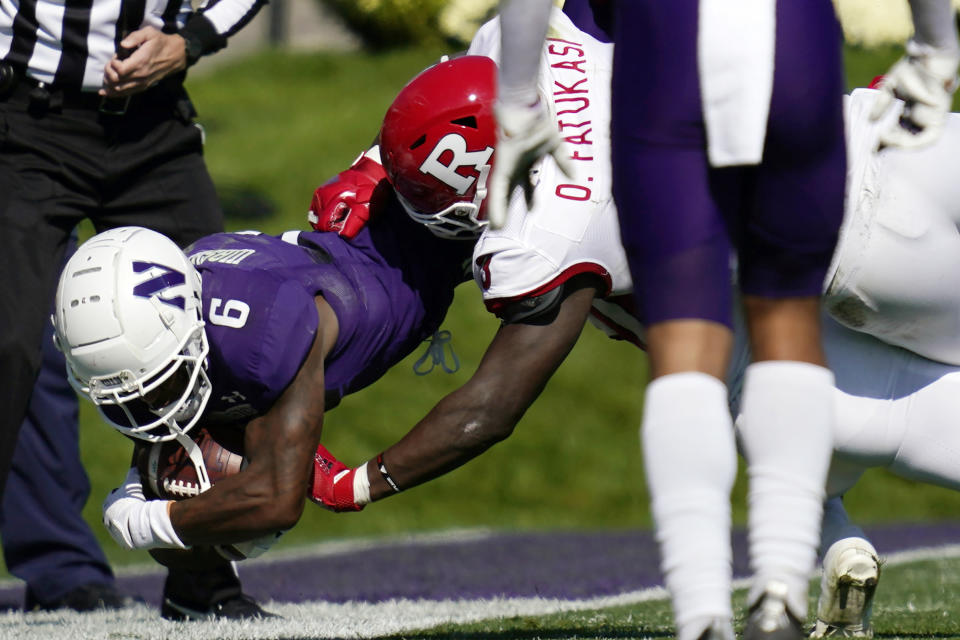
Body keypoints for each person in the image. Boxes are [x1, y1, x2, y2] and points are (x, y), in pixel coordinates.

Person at [305, 6, 960, 638]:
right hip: (881, 135)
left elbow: (490, 408)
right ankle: (834, 531)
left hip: (866, 257)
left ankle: (832, 530)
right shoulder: (535, 40)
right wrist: (374, 165)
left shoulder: (548, 231)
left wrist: (360, 481)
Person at [51, 210, 473, 615]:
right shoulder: (183, 299)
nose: (145, 406)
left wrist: (147, 522)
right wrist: (140, 478)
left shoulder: (261, 334)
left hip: (437, 253)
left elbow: (276, 502)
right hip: (348, 248)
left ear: (191, 332)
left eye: (160, 383)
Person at [0, 0, 268, 615]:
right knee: (7, 344)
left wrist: (190, 38)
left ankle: (203, 582)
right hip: (25, 123)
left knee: (221, 336)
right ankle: (59, 566)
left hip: (153, 129)